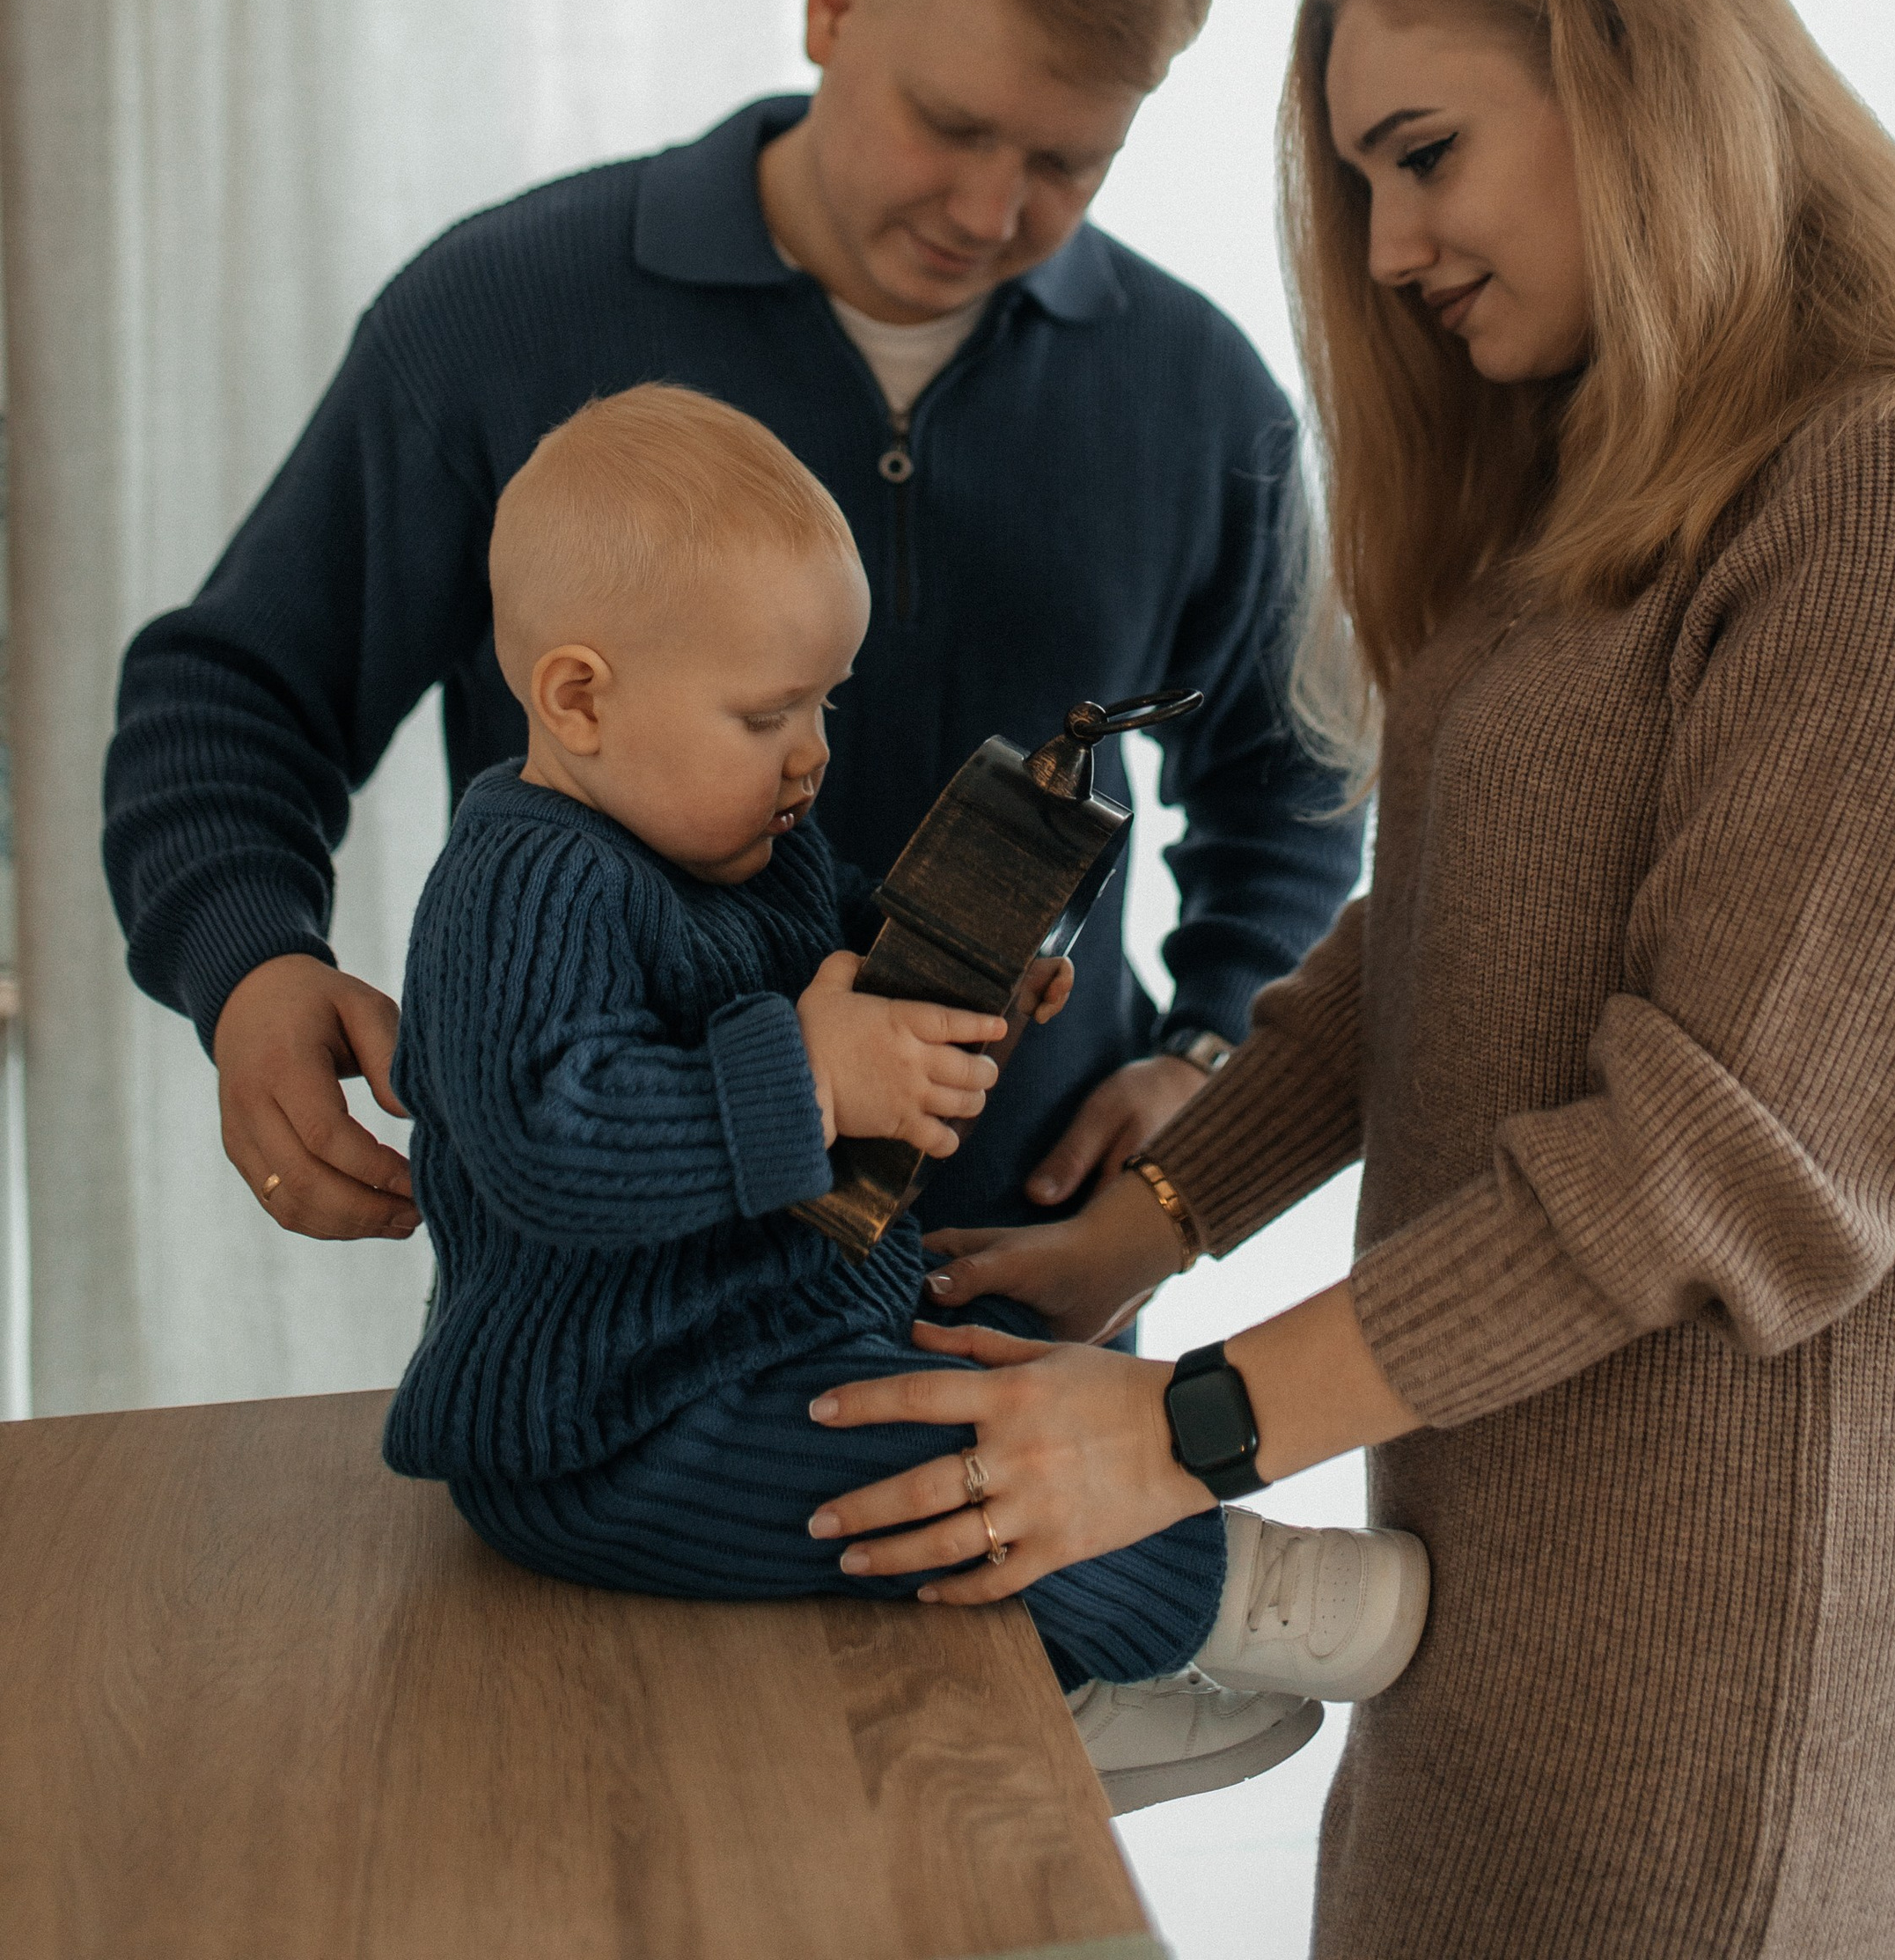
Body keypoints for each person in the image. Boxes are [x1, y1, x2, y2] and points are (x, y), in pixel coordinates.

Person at [797, 0, 1895, 1960]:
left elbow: (1722, 1165)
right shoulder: (1592, 486)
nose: (1389, 249)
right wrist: (1116, 1247)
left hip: (1722, 1646)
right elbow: (1419, 961)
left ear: (1641, 85)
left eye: (1423, 159)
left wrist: (1186, 1430)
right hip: (1484, 1547)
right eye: (1358, 188)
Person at [103, 0, 1362, 1250]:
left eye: (1067, 162)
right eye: (947, 123)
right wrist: (248, 962)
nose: (985, 206)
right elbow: (236, 693)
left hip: (1024, 1313)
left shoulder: (1199, 394)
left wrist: (1210, 1049)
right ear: (835, 1)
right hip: (602, 1324)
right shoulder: (501, 314)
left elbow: (1293, 777)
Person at [386, 383, 1426, 1813]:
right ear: (579, 698)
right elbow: (547, 1143)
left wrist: (958, 976)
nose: (812, 751)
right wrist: (808, 1073)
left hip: (766, 1333)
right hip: (613, 1426)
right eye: (767, 713)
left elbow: (834, 963)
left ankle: (1070, 1674)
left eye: (824, 702)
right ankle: (1242, 1598)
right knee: (960, 1458)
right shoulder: (522, 881)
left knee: (1022, 1376)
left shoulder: (748, 842)